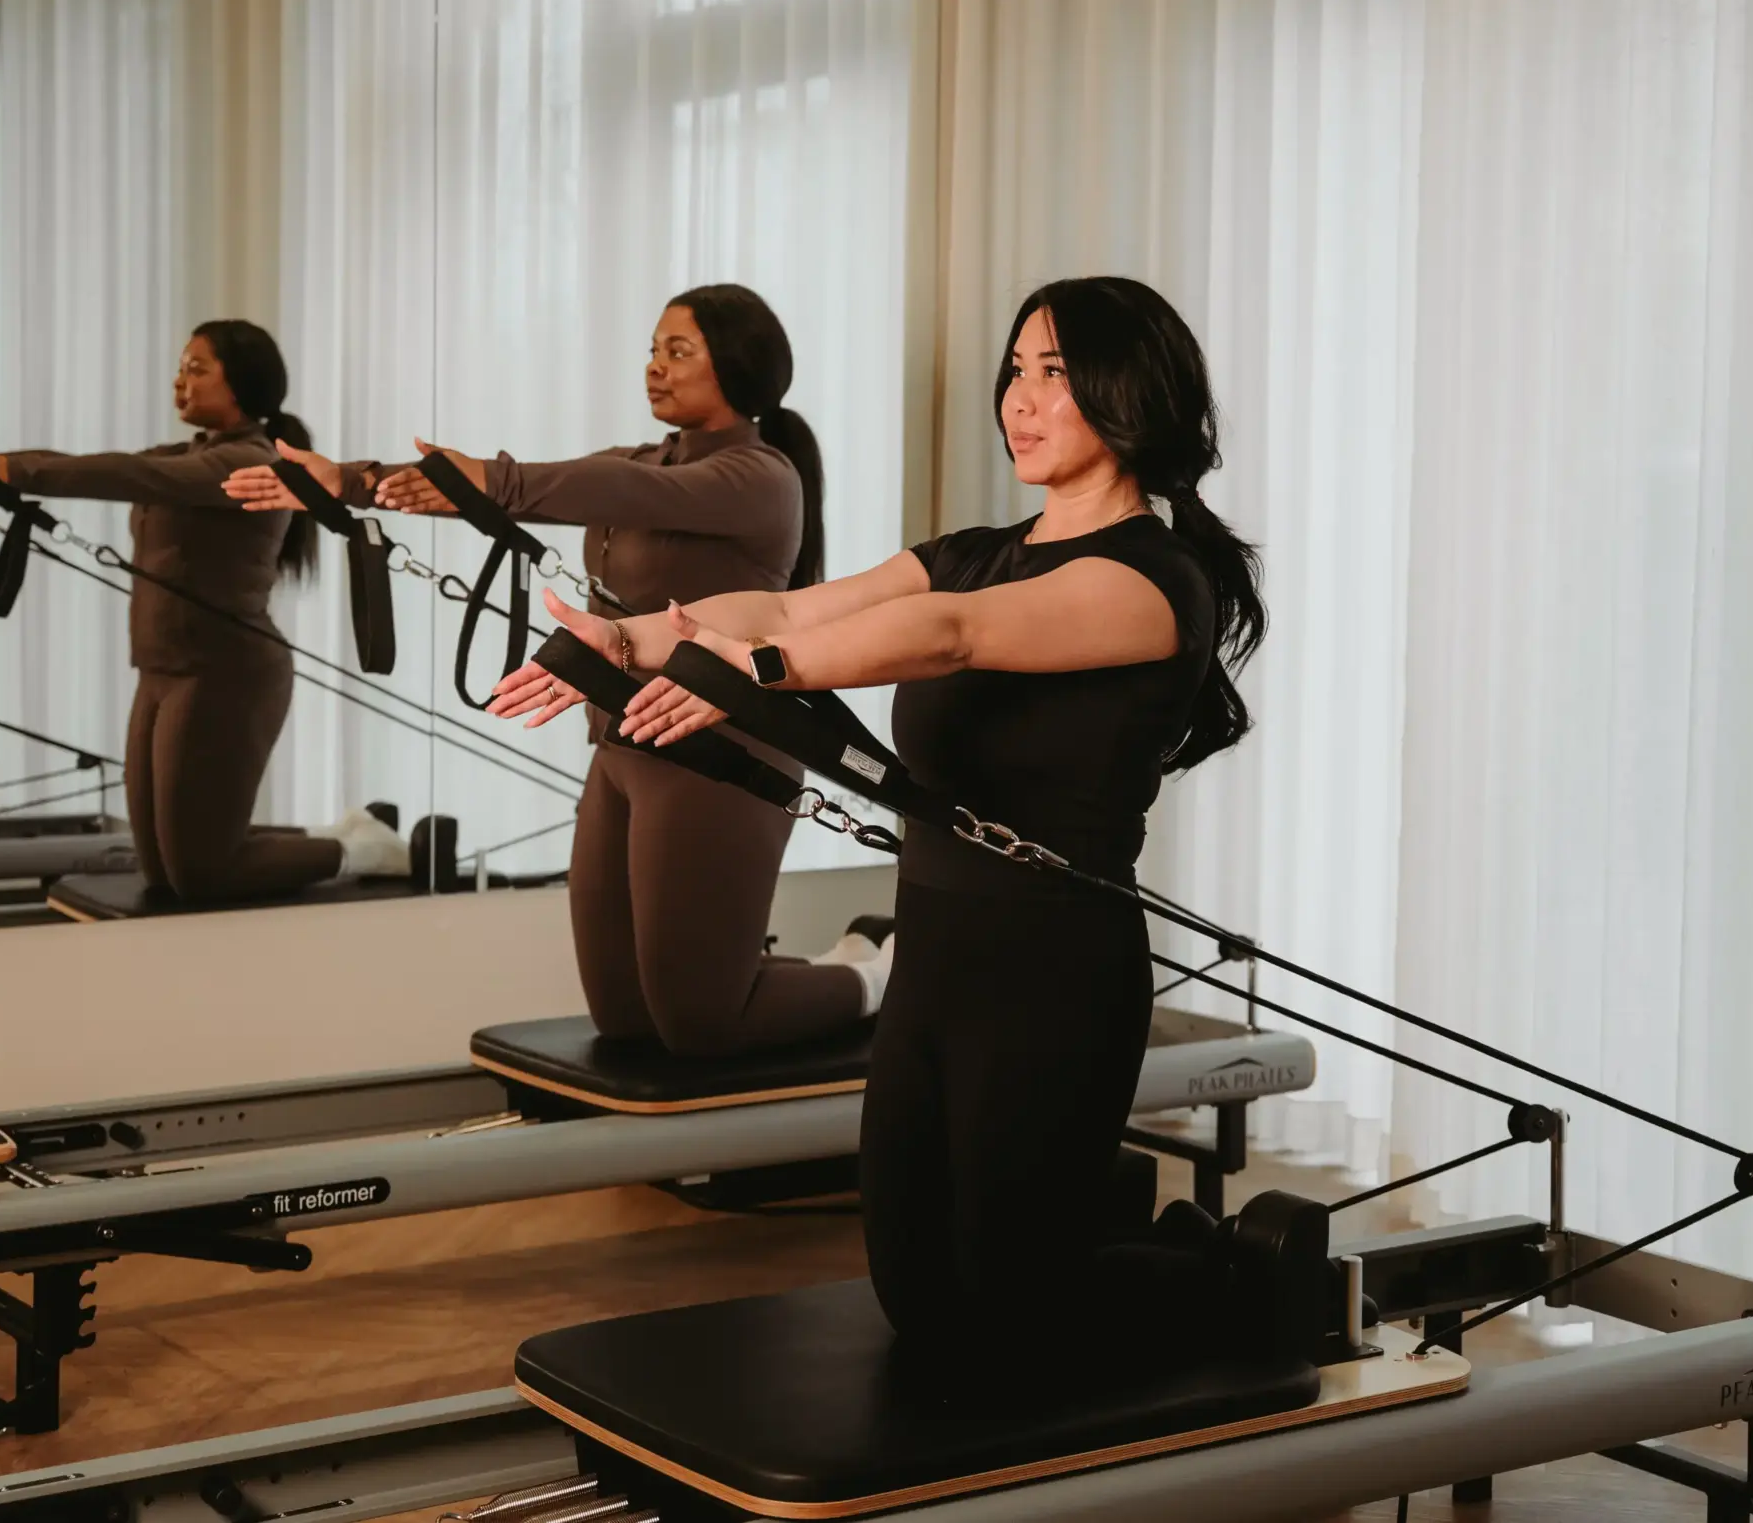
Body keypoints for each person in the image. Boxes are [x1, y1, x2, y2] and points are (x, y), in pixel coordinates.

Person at [491, 277, 1295, 1362]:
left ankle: (1251, 1271)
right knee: (919, 1288)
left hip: (1051, 972)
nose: (1020, 396)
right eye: (1014, 370)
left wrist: (755, 671)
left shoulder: (1154, 581)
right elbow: (786, 606)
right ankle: (1151, 1241)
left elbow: (950, 635)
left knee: (1012, 1298)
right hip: (933, 961)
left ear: (1129, 391)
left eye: (1053, 372)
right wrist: (633, 638)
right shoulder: (972, 546)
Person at [227, 285, 865, 1056]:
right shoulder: (639, 457)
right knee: (624, 1016)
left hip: (720, 757)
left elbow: (624, 493)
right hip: (623, 749)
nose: (653, 367)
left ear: (739, 363)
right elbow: (559, 482)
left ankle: (871, 972)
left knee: (702, 1022)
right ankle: (779, 970)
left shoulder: (760, 476)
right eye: (652, 349)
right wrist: (347, 481)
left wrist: (496, 481)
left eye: (678, 350)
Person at [0, 319, 405, 903]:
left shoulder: (250, 461)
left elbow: (122, 474)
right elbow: (81, 462)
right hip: (162, 669)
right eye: (180, 366)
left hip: (225, 672)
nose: (179, 380)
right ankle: (336, 834)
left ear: (241, 383)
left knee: (201, 874)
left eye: (196, 368)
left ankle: (360, 848)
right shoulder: (190, 453)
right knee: (162, 868)